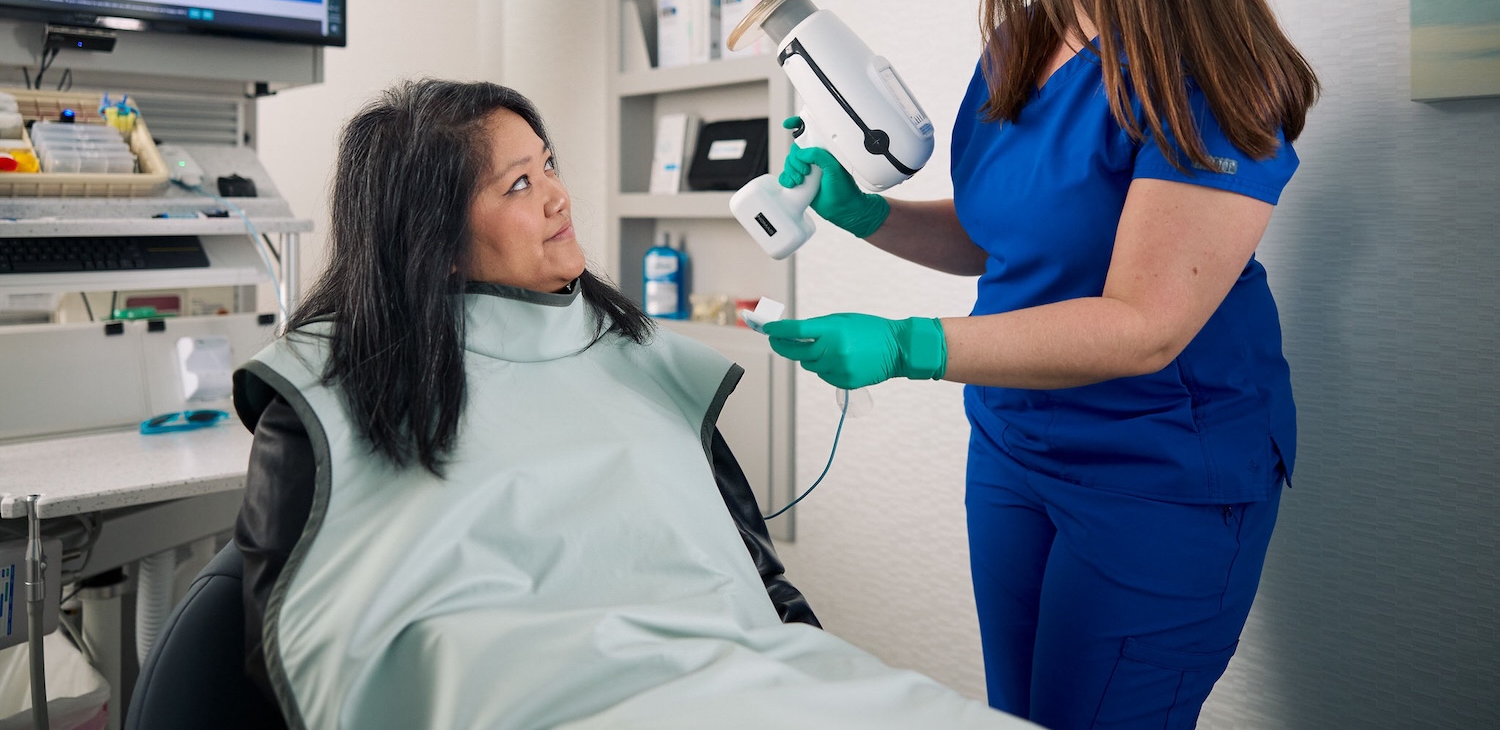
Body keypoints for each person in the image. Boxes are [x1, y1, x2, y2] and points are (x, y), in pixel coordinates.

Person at [762, 0, 1320, 730]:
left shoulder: (1208, 68)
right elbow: (1004, 243)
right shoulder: (1022, 44)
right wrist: (867, 213)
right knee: (1017, 716)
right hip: (1015, 449)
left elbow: (1144, 323)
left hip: (1159, 473)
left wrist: (907, 345)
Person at [232, 79, 1035, 729]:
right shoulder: (331, 397)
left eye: (548, 164)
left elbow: (767, 595)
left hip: (753, 684)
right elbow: (308, 652)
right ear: (430, 240)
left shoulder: (645, 360)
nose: (558, 197)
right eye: (520, 183)